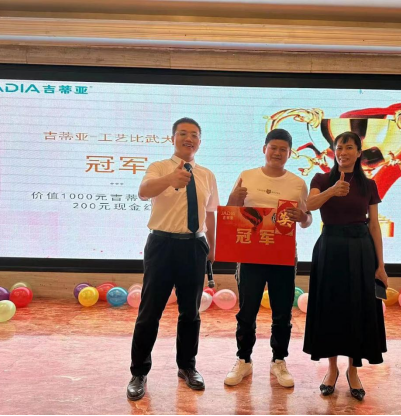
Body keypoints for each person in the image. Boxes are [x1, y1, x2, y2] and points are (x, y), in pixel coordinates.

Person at [127, 117, 219, 401]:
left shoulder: (207, 174)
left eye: (194, 135)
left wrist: (212, 247)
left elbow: (210, 213)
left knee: (190, 313)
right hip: (162, 244)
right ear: (173, 138)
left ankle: (187, 367)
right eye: (183, 133)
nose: (188, 138)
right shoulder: (159, 167)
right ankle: (138, 372)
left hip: (194, 246)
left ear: (200, 142)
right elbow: (143, 192)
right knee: (150, 311)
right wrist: (170, 179)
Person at [224, 129, 313, 388]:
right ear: (264, 149)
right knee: (247, 311)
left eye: (283, 149)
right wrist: (233, 200)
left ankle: (279, 360)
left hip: (283, 257)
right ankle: (243, 359)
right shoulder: (247, 176)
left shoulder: (297, 183)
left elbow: (307, 219)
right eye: (273, 147)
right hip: (250, 255)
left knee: (282, 312)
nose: (277, 153)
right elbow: (231, 212)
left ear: (290, 153)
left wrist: (302, 217)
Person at [303, 131, 388, 400]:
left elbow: (374, 225)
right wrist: (331, 191)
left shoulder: (368, 184)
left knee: (357, 308)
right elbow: (308, 205)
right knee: (330, 307)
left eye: (349, 147)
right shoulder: (321, 179)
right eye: (339, 147)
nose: (343, 152)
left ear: (359, 153)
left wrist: (381, 265)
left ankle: (353, 370)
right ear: (334, 151)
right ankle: (331, 369)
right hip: (330, 247)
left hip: (361, 249)